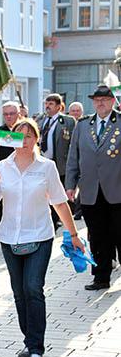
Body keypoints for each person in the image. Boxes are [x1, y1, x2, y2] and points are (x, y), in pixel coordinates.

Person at [0, 118, 85, 357]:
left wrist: (73, 234)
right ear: (12, 139)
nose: (24, 140)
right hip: (9, 238)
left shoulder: (46, 167)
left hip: (39, 236)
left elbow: (60, 203)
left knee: (33, 288)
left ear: (36, 139)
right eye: (19, 136)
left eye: (29, 136)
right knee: (19, 292)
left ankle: (37, 349)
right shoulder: (3, 167)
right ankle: (29, 341)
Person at [66, 84, 121, 291]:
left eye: (105, 99)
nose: (100, 103)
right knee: (97, 236)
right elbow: (74, 157)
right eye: (97, 99)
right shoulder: (83, 125)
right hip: (90, 191)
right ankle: (101, 277)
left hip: (117, 190)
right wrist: (70, 185)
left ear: (113, 101)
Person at [36, 93, 76, 228]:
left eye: (51, 104)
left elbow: (73, 142)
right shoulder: (40, 120)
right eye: (46, 103)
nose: (47, 106)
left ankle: (59, 218)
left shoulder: (67, 121)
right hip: (42, 162)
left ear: (59, 106)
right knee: (44, 191)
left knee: (58, 192)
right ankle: (50, 218)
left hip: (60, 163)